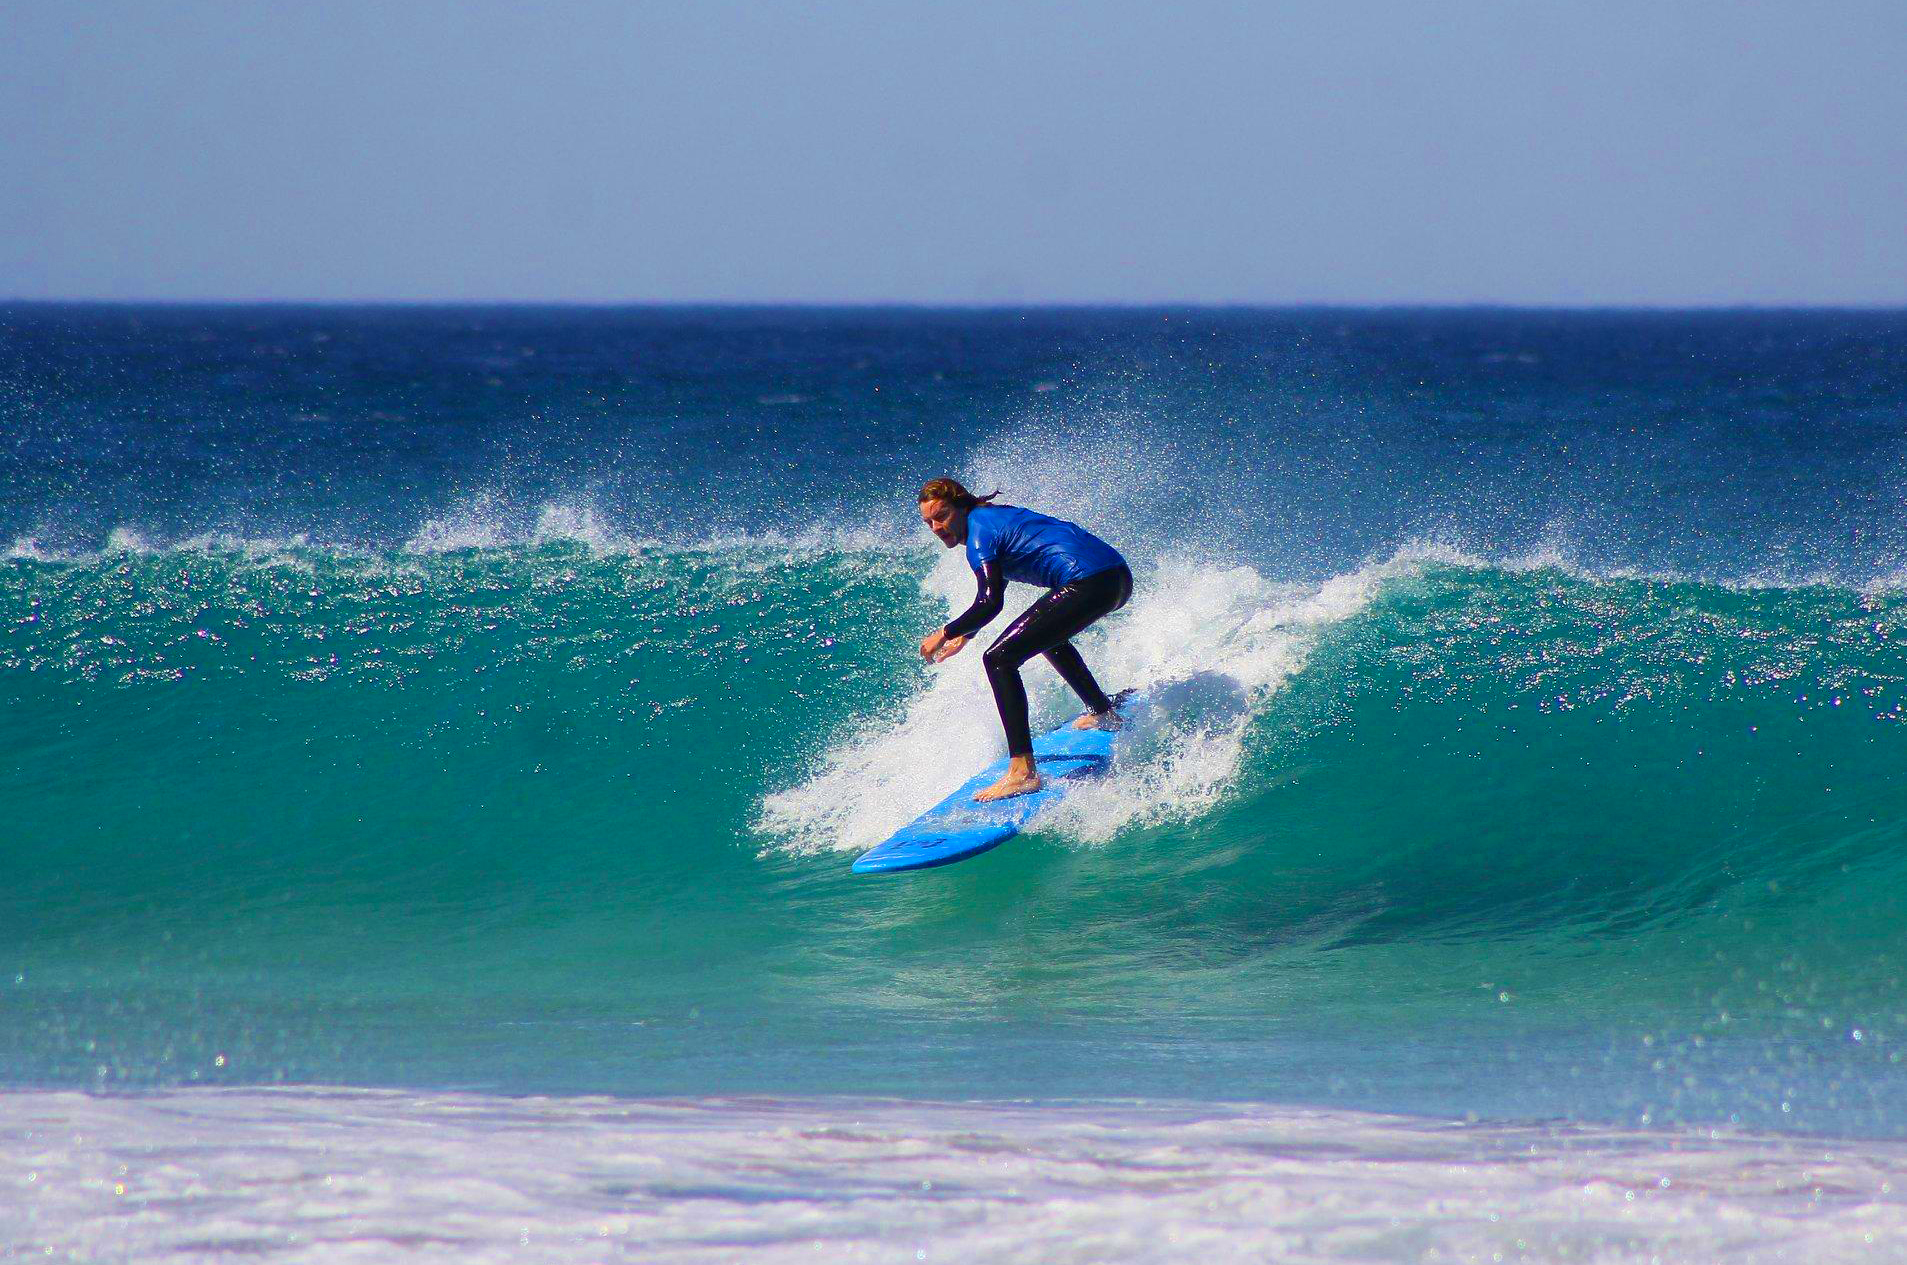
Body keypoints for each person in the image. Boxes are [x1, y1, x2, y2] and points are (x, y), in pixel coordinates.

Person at [916, 477, 1133, 802]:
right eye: (929, 521)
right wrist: (967, 632)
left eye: (942, 515)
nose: (936, 526)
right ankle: (1102, 711)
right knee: (1047, 637)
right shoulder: (992, 519)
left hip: (1087, 582)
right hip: (1115, 577)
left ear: (961, 505)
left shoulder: (979, 534)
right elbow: (996, 586)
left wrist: (944, 632)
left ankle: (1022, 772)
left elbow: (990, 602)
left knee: (998, 659)